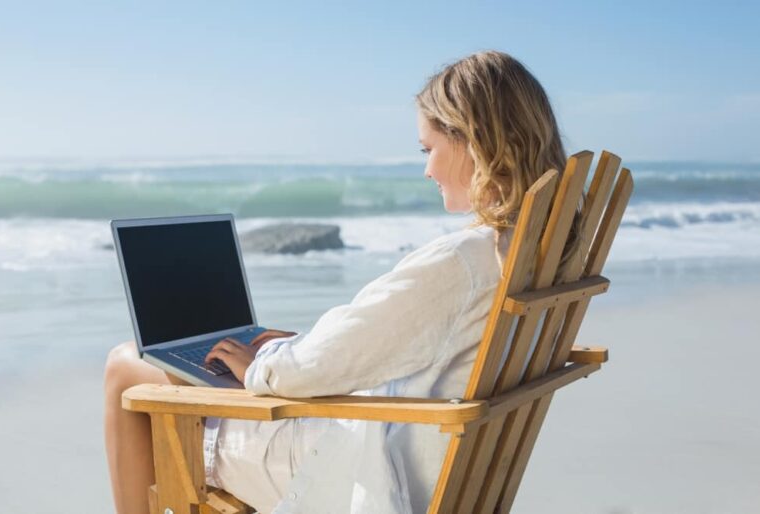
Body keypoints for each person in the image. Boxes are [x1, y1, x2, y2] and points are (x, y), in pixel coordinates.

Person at [103, 50, 581, 514]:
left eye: (429, 149)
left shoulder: (463, 262)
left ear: (474, 141)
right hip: (436, 463)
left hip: (362, 467)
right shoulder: (533, 255)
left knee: (125, 365)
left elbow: (309, 370)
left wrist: (261, 364)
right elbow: (376, 346)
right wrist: (292, 347)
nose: (427, 169)